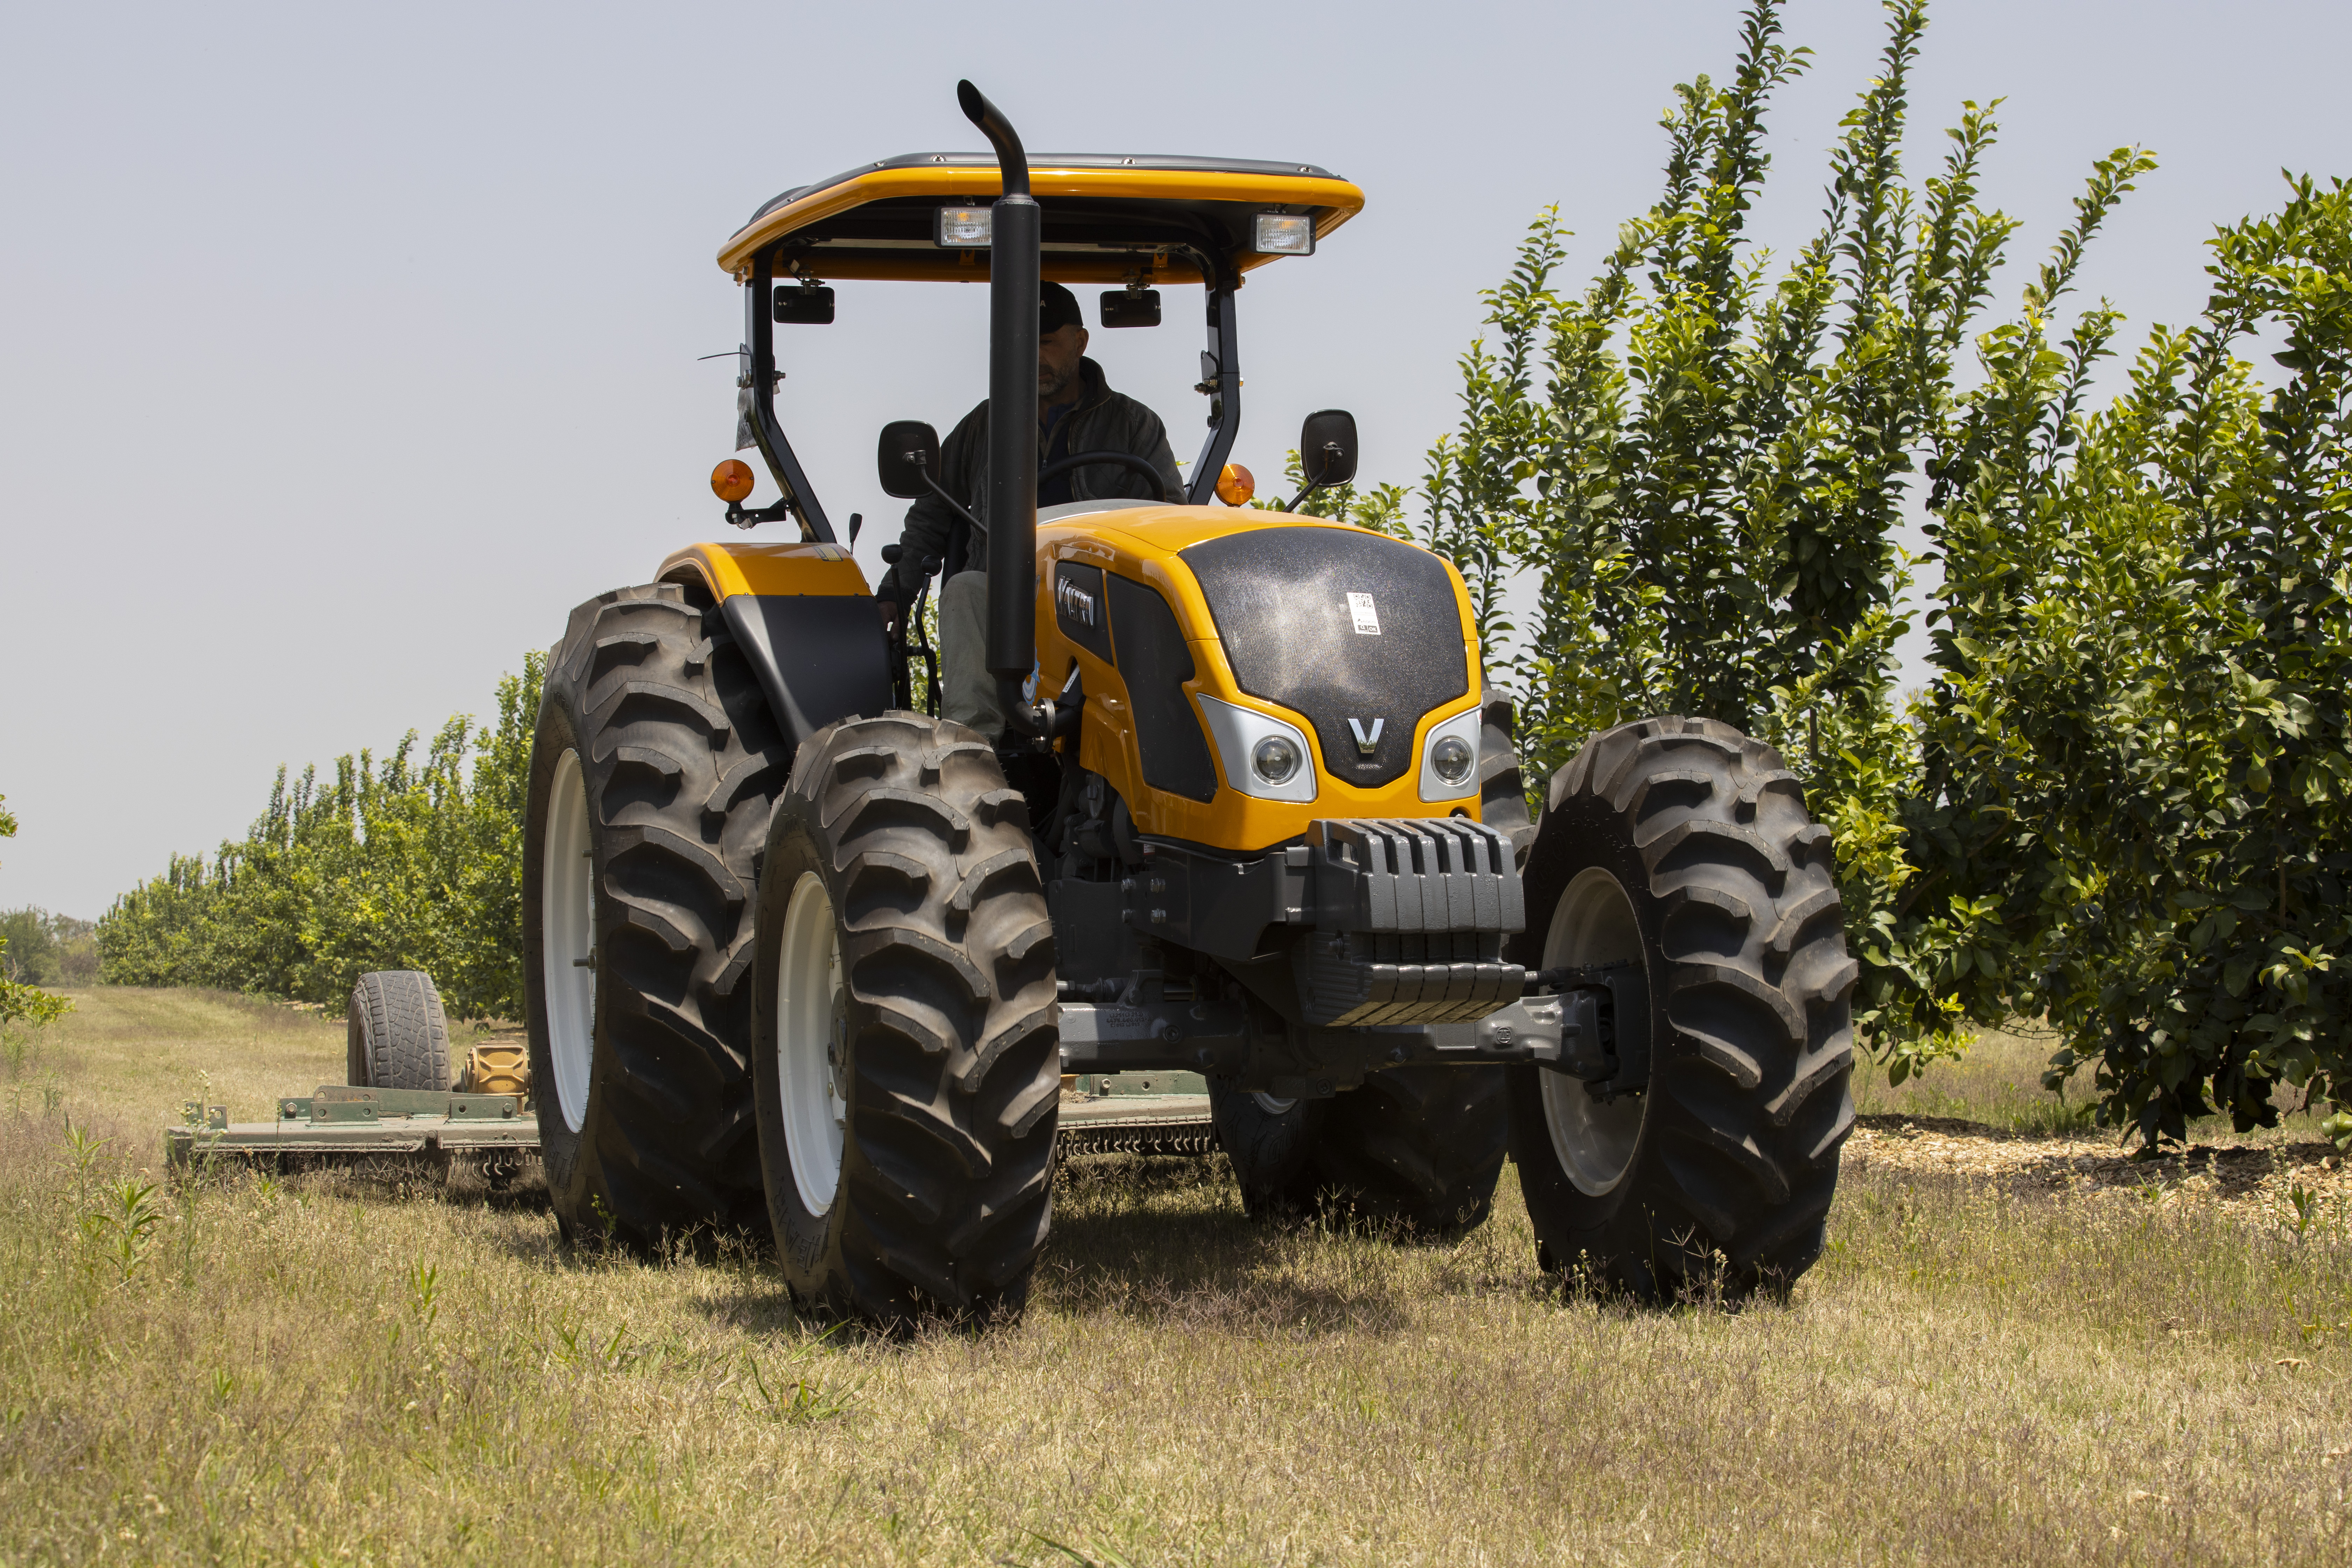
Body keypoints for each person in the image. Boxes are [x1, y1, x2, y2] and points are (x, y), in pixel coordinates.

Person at [877, 280, 1183, 739]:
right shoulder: (985, 424)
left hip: (1099, 592)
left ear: (1079, 342)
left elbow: (1172, 514)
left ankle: (1152, 737)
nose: (1036, 358)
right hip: (1006, 592)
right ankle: (972, 747)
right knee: (963, 588)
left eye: (1047, 343)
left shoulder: (1133, 425)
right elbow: (933, 508)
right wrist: (895, 594)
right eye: (1024, 344)